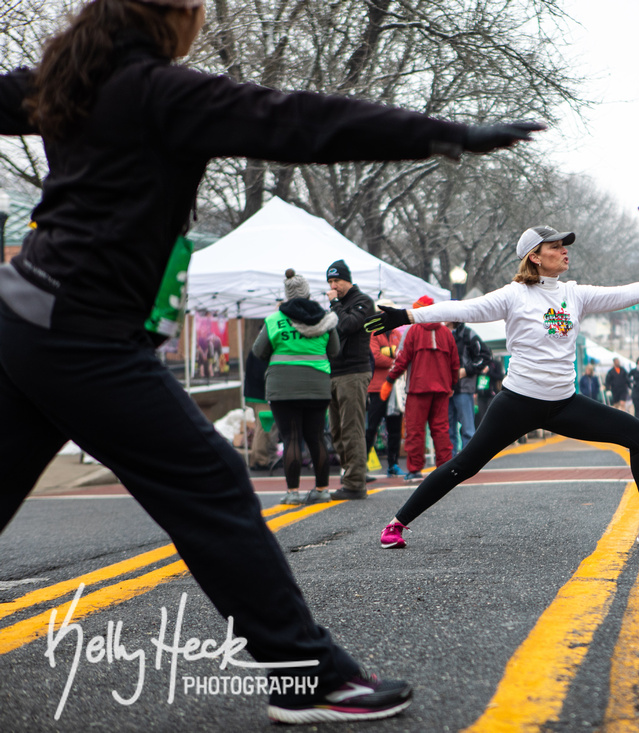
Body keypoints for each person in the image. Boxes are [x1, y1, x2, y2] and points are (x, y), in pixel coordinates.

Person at [0, 0, 544, 723]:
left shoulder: (65, 82)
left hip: (19, 314)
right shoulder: (159, 91)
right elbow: (299, 120)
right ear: (173, 17)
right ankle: (306, 675)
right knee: (215, 485)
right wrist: (444, 134)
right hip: (81, 330)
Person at [366, 225, 639, 549]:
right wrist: (408, 316)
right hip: (518, 402)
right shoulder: (514, 295)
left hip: (563, 403)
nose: (565, 251)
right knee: (465, 465)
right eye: (555, 247)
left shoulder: (574, 293)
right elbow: (464, 308)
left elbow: (628, 292)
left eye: (564, 245)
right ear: (534, 257)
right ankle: (396, 524)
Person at [253, 269, 340, 505]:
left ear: (287, 294)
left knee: (291, 438)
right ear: (308, 293)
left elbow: (259, 351)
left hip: (283, 388)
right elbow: (334, 351)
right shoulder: (325, 318)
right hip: (317, 386)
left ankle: (293, 493)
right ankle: (322, 490)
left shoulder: (274, 319)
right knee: (316, 438)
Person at [381, 296, 459, 482]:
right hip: (441, 389)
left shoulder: (413, 331)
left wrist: (390, 379)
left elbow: (402, 360)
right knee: (441, 430)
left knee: (415, 431)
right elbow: (454, 363)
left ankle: (415, 470)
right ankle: (445, 470)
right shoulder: (446, 333)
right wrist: (452, 384)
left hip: (417, 388)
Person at [325, 259, 377, 499]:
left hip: (354, 373)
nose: (334, 286)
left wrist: (334, 303)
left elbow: (348, 325)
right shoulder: (337, 306)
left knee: (351, 429)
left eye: (337, 281)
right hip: (334, 373)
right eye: (330, 281)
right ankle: (349, 476)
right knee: (336, 431)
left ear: (348, 280)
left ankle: (355, 483)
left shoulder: (363, 302)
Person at [366, 299, 404, 478]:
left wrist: (388, 357)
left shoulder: (397, 333)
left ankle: (393, 464)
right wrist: (394, 362)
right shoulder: (373, 333)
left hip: (395, 388)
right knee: (372, 426)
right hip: (377, 387)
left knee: (395, 428)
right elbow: (375, 357)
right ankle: (362, 464)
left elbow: (402, 354)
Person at [449, 320, 493, 452]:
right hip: (446, 388)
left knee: (468, 429)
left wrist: (466, 370)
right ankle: (450, 464)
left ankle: (467, 464)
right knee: (448, 430)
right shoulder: (442, 333)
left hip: (464, 388)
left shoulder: (468, 334)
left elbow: (486, 355)